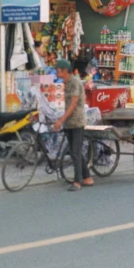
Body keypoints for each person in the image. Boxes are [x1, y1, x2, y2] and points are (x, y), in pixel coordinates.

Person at [53, 59, 94, 191]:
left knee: (75, 151)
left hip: (77, 122)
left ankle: (77, 181)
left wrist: (61, 119)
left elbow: (73, 103)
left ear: (65, 71)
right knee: (74, 150)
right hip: (70, 122)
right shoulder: (67, 83)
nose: (56, 72)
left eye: (58, 70)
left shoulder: (74, 82)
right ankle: (87, 177)